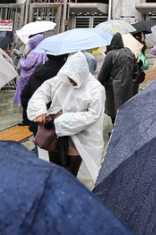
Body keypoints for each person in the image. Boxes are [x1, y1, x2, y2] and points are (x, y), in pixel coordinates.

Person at [27, 52, 106, 180]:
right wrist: (40, 110)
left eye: (73, 78)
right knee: (54, 170)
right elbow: (41, 93)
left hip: (79, 137)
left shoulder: (95, 89)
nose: (71, 81)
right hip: (55, 134)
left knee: (70, 174)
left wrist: (64, 120)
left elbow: (93, 115)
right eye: (69, 77)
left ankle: (66, 196)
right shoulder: (60, 81)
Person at [21, 53, 69, 131]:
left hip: (38, 123)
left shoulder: (37, 73)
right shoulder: (67, 75)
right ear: (64, 57)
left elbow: (24, 96)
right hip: (60, 124)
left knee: (40, 142)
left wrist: (31, 117)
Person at [98, 32, 139, 121]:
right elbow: (136, 72)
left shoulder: (111, 54)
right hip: (128, 87)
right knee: (125, 112)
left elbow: (103, 73)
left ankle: (115, 129)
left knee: (114, 112)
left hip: (113, 88)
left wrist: (98, 85)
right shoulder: (129, 52)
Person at [14, 33, 45, 109]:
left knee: (25, 96)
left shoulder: (34, 52)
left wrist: (21, 61)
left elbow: (27, 65)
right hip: (37, 77)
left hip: (27, 78)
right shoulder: (43, 51)